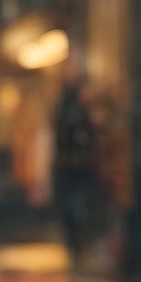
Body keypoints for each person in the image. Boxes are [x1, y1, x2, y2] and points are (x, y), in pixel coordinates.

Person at [51, 59, 100, 268]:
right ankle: (76, 246)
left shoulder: (68, 106)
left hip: (72, 167)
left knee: (74, 209)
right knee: (75, 208)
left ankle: (76, 245)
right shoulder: (73, 106)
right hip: (74, 167)